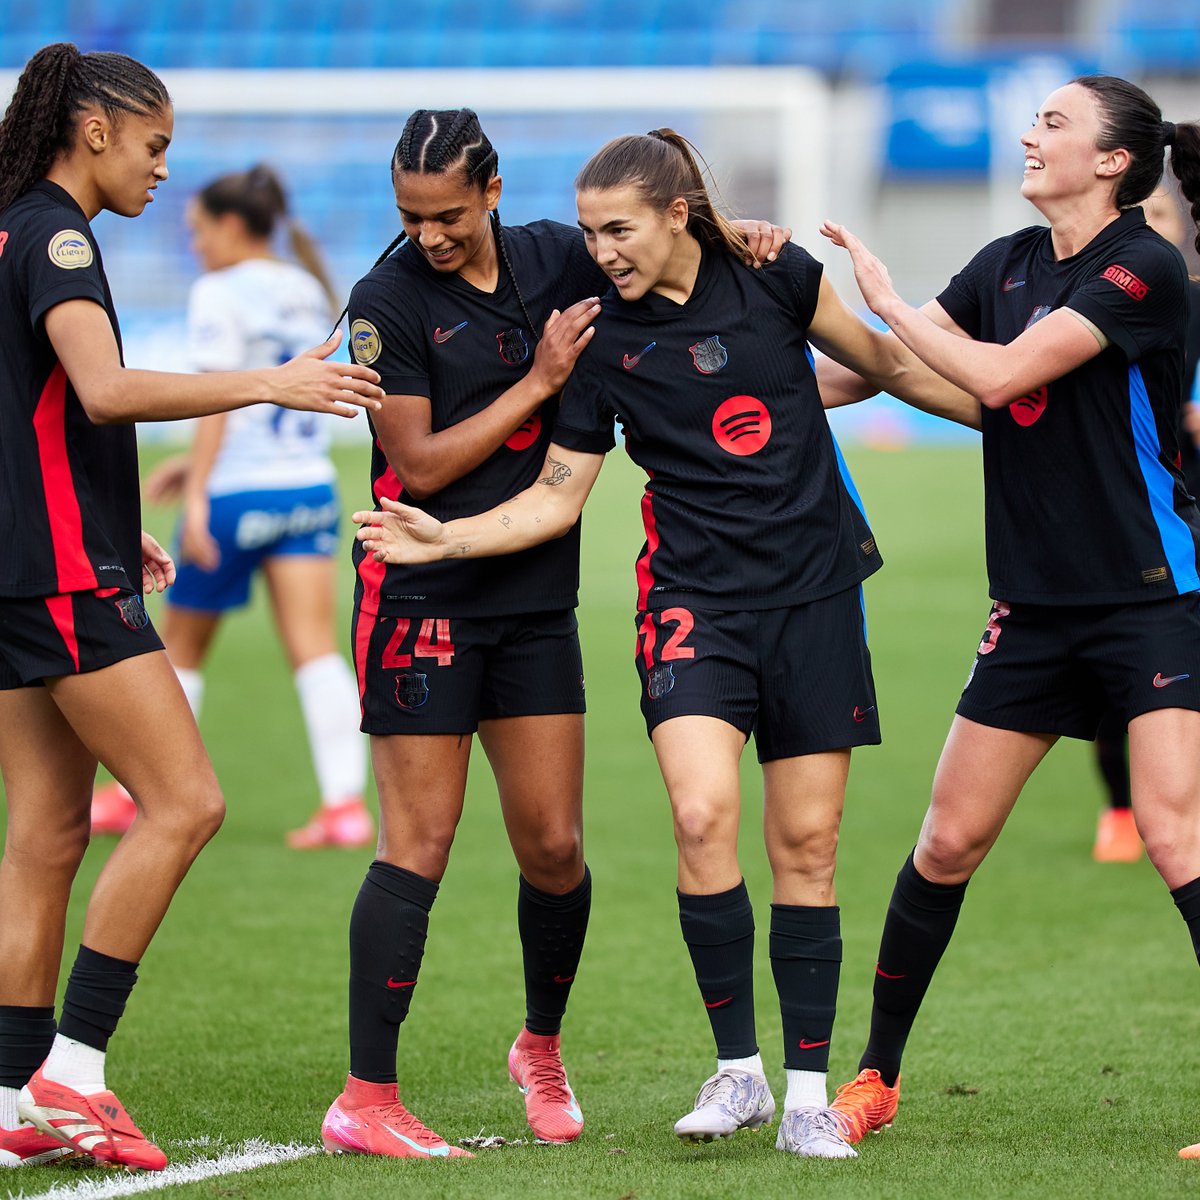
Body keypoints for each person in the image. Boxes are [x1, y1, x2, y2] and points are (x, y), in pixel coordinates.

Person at [352, 127, 973, 1159]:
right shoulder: (595, 340)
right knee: (700, 811)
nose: (601, 252)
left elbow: (885, 366)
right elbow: (556, 496)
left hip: (816, 594)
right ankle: (738, 1074)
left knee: (807, 848)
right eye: (592, 232)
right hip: (694, 603)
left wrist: (1008, 411)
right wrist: (445, 537)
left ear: (678, 213)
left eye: (621, 229)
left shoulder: (778, 279)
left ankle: (810, 1095)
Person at [314, 108, 793, 1160]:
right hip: (420, 594)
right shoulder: (386, 303)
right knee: (421, 844)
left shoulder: (553, 253)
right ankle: (366, 1095)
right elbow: (424, 464)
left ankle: (539, 1046)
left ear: (491, 190)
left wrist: (741, 231)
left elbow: (655, 235)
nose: (429, 236)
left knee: (556, 846)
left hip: (533, 594)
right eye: (410, 216)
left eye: (446, 215)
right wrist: (539, 380)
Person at [0, 43, 382, 1172]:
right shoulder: (61, 236)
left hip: (35, 564)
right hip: (64, 578)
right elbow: (108, 389)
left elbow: (40, 414)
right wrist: (275, 380)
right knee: (187, 801)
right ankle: (74, 1072)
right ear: (97, 129)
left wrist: (112, 526)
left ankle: (15, 1101)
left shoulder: (13, 224)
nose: (167, 173)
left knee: (45, 837)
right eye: (156, 145)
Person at [814, 75, 1200, 1158]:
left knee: (1175, 836)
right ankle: (876, 1079)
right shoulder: (1006, 264)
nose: (1032, 135)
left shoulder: (1142, 265)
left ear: (1114, 160)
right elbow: (881, 370)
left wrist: (883, 298)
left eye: (1055, 123)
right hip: (1031, 609)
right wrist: (749, 376)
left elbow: (998, 374)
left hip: (1150, 603)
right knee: (946, 841)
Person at [89, 164, 371, 849]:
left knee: (177, 649)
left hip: (237, 494)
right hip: (307, 486)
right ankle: (346, 806)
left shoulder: (218, 290)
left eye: (197, 231)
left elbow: (219, 396)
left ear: (231, 225)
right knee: (314, 649)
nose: (194, 246)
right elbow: (276, 395)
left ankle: (132, 795)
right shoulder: (304, 285)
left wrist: (199, 492)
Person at [1089, 188, 1200, 863]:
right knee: (1111, 676)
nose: (1146, 233)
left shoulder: (1191, 300)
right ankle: (1119, 807)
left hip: (1185, 509)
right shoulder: (1092, 301)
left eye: (1160, 218)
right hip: (1125, 515)